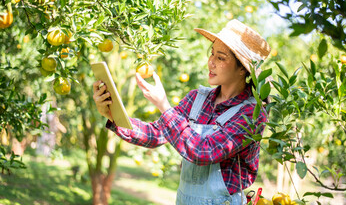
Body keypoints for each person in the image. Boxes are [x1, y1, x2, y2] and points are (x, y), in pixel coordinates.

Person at [92, 19, 271, 205]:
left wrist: (164, 106)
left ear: (242, 68)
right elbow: (155, 135)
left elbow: (203, 151)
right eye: (211, 54)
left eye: (221, 57)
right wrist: (112, 115)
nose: (211, 62)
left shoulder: (252, 113)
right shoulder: (197, 99)